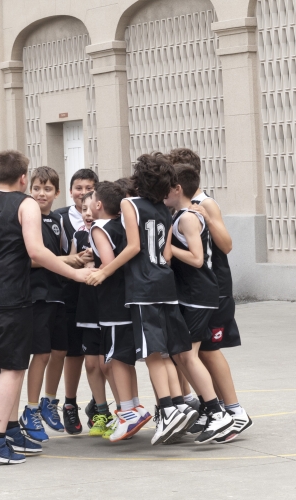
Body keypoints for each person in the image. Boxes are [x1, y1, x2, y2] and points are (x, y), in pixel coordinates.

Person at [0, 150, 94, 465]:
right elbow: (37, 253)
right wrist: (76, 272)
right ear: (24, 178)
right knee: (12, 368)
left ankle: (9, 428)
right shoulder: (26, 205)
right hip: (9, 297)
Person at [87, 153, 192, 445]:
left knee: (152, 354)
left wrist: (103, 272)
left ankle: (168, 409)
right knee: (167, 352)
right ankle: (179, 405)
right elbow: (168, 255)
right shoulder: (165, 211)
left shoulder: (128, 205)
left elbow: (133, 247)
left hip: (143, 288)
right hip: (165, 283)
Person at [167, 148, 252, 442]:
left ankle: (233, 411)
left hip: (212, 288)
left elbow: (226, 246)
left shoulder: (204, 204)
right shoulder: (178, 209)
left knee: (207, 351)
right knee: (189, 351)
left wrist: (209, 219)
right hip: (192, 289)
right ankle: (205, 406)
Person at [19, 167, 92, 443]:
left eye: (47, 189)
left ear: (57, 193)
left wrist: (78, 258)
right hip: (36, 295)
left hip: (58, 293)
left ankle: (50, 401)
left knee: (60, 349)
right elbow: (33, 259)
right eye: (37, 188)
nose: (41, 193)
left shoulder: (57, 221)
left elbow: (63, 255)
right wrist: (70, 262)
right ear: (29, 190)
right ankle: (32, 408)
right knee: (40, 354)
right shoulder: (27, 218)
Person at [87, 181, 144, 441]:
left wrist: (95, 270)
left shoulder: (99, 228)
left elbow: (109, 263)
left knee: (114, 358)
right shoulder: (122, 225)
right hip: (130, 296)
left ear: (98, 204)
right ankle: (133, 406)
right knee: (124, 356)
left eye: (91, 199)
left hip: (112, 300)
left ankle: (128, 413)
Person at [47, 168, 98, 434]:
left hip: (98, 296)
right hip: (69, 294)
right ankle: (69, 404)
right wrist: (74, 260)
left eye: (88, 188)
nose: (83, 193)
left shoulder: (107, 217)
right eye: (78, 188)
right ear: (70, 191)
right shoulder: (59, 219)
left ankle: (99, 405)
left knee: (100, 356)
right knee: (73, 352)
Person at [75, 191, 116, 436]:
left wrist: (99, 267)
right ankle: (101, 412)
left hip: (110, 303)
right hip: (87, 303)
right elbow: (69, 261)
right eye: (83, 209)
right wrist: (79, 261)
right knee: (92, 362)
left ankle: (126, 410)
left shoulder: (112, 231)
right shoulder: (80, 234)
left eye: (91, 208)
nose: (87, 213)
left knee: (111, 363)